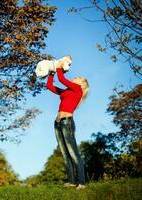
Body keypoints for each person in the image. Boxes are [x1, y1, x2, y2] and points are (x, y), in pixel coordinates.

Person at [46, 60, 89, 189]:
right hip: (58, 123)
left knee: (73, 153)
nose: (76, 77)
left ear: (82, 84)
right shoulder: (66, 91)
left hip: (67, 123)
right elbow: (50, 86)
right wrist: (51, 73)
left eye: (79, 78)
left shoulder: (77, 89)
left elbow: (62, 79)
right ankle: (71, 181)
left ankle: (81, 182)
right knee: (65, 154)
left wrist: (59, 67)